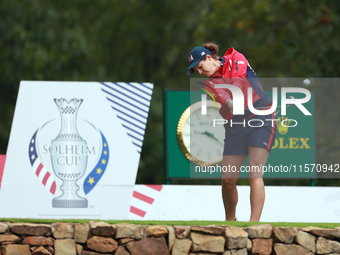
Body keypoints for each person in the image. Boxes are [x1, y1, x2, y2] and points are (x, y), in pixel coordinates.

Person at [186, 43, 276, 222]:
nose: (200, 72)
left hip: (261, 115)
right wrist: (230, 103)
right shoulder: (209, 83)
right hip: (236, 123)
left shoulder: (236, 57)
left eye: (200, 67)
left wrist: (235, 97)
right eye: (197, 70)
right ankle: (230, 224)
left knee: (255, 173)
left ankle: (253, 226)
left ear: (209, 58)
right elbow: (222, 97)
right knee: (227, 180)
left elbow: (238, 80)